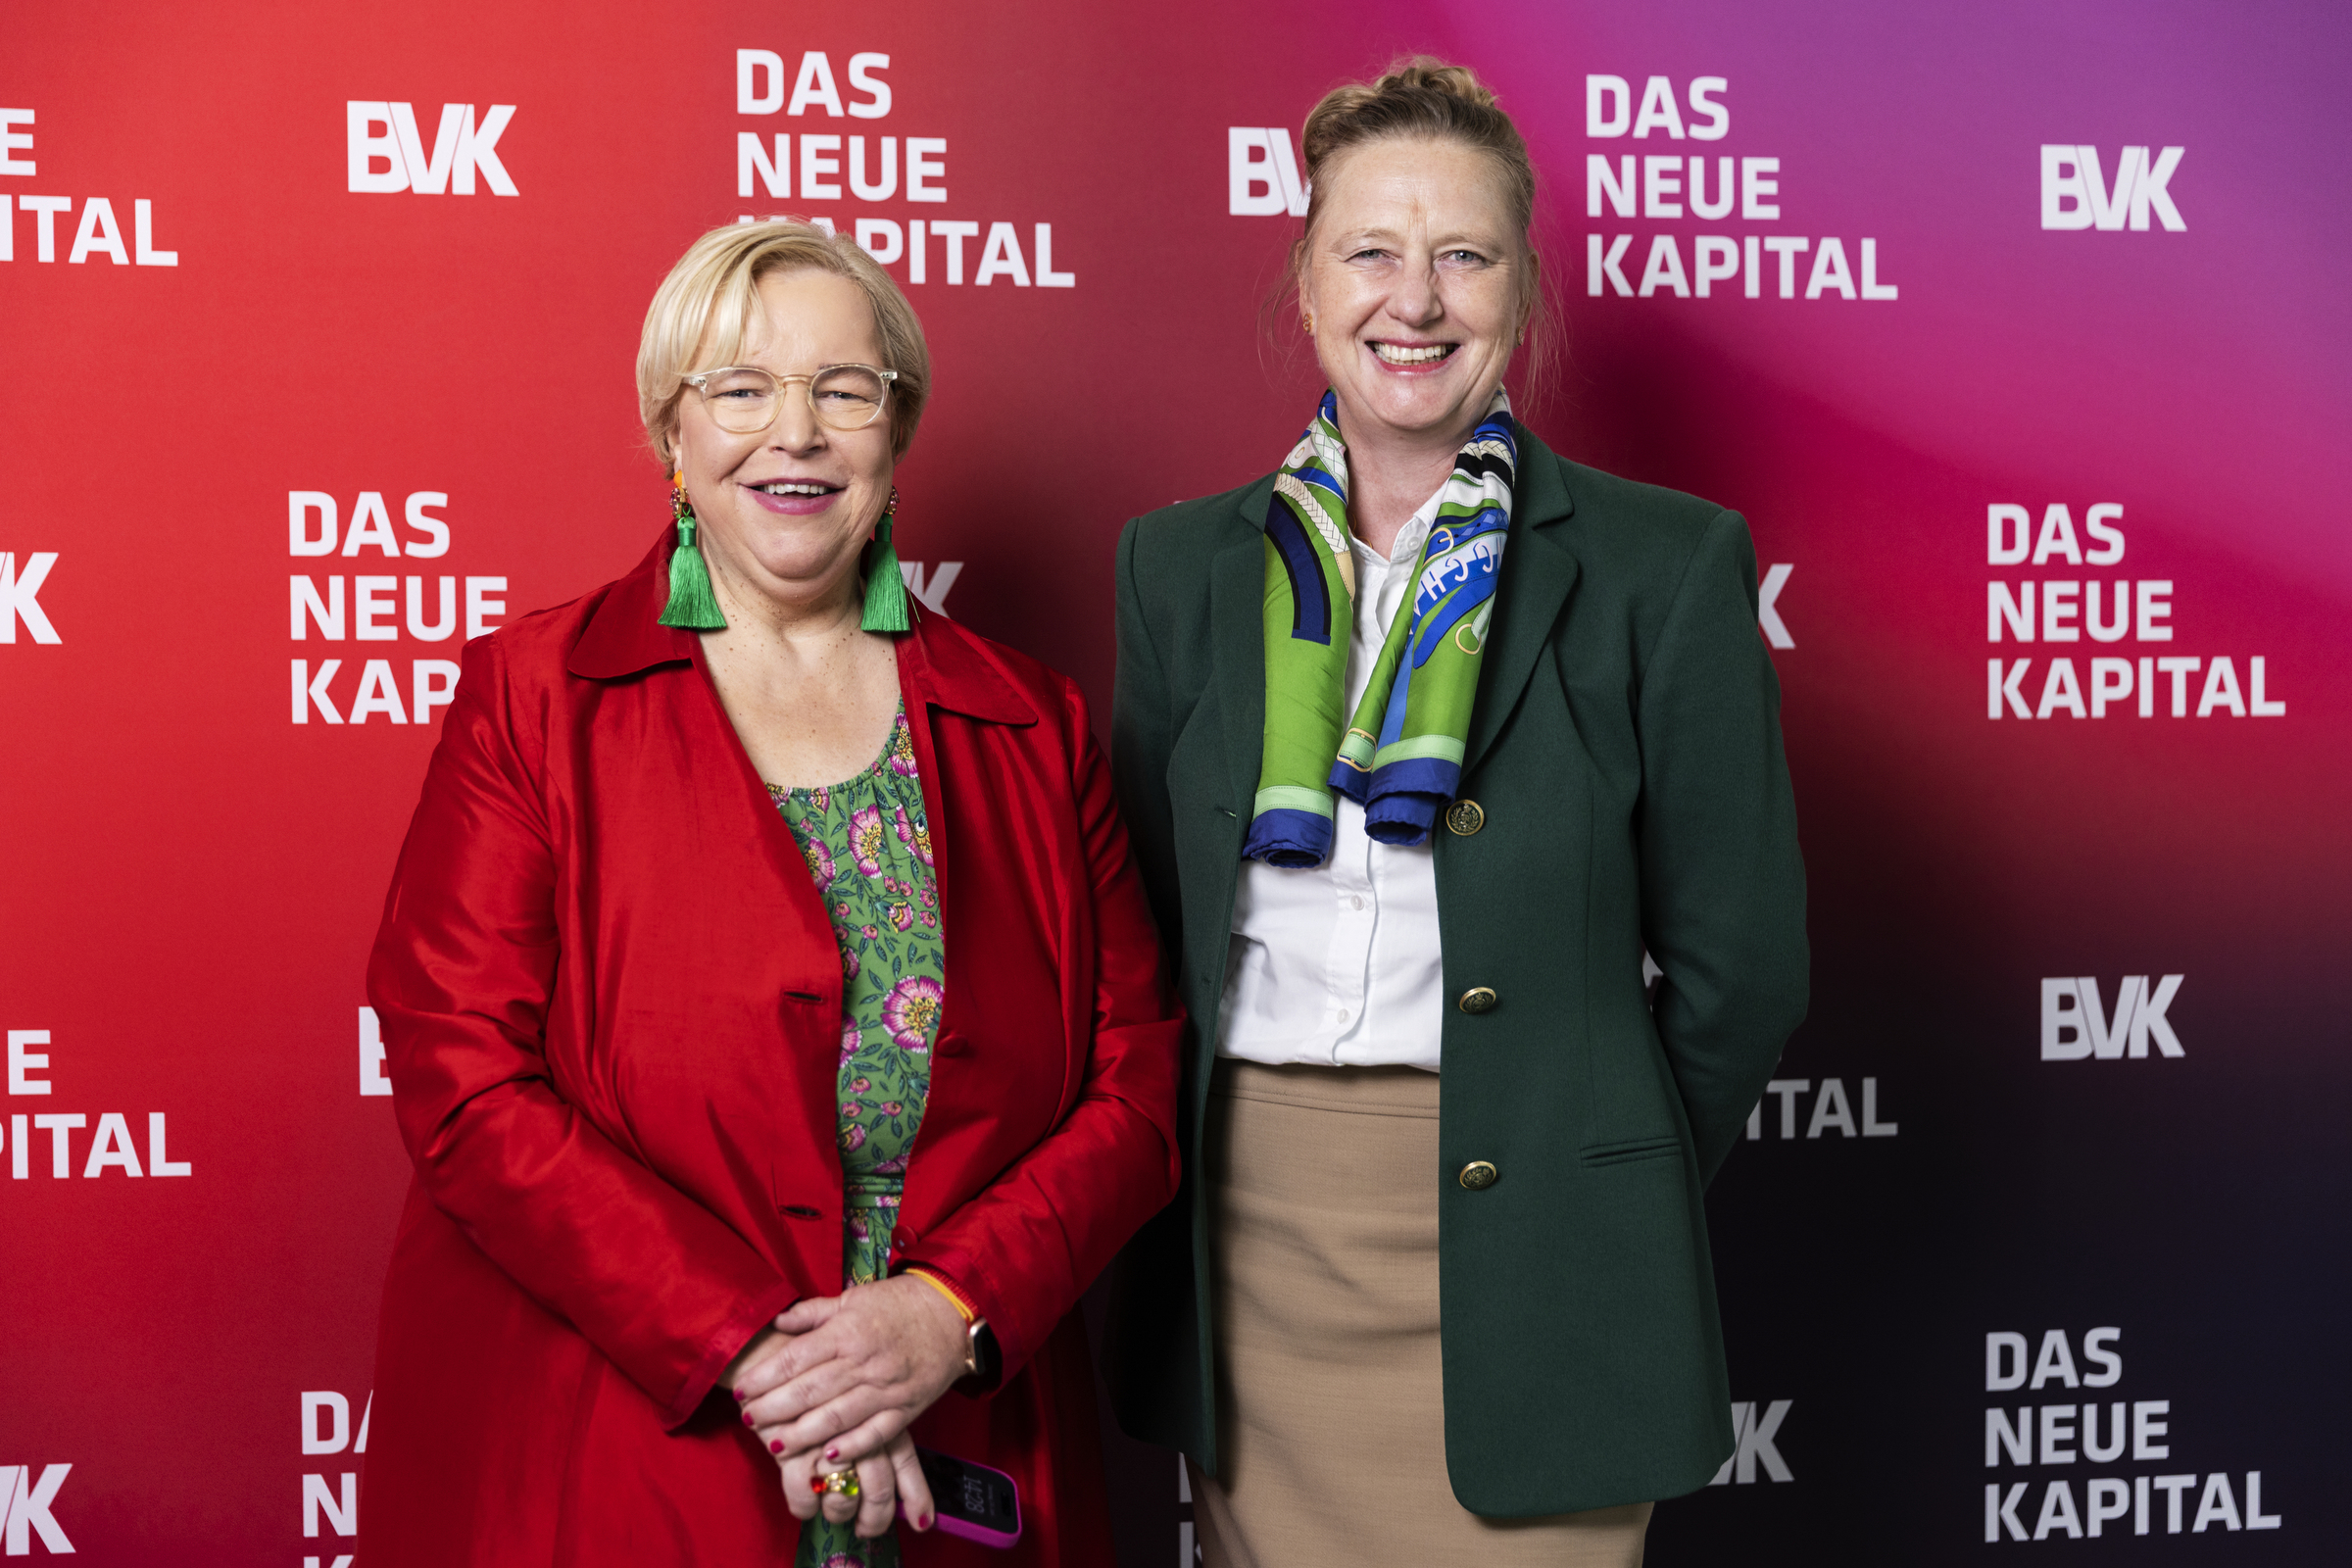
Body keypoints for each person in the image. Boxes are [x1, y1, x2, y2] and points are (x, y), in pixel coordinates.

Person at [360, 220, 1181, 1568]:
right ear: (670, 435)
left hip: (957, 1422)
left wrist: (947, 1311)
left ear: (896, 430)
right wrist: (758, 1356)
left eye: (843, 389)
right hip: (627, 1428)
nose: (793, 433)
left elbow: (1135, 1084)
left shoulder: (1035, 727)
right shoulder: (533, 697)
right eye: (740, 389)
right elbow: (463, 1077)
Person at [1102, 61, 1808, 1566]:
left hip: (1545, 1259)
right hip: (1256, 1252)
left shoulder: (1665, 567)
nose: (1413, 299)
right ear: (1307, 285)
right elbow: (1150, 942)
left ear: (1522, 294)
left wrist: (1593, 1174)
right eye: (1370, 250)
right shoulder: (1175, 570)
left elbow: (1743, 969)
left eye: (1464, 255)